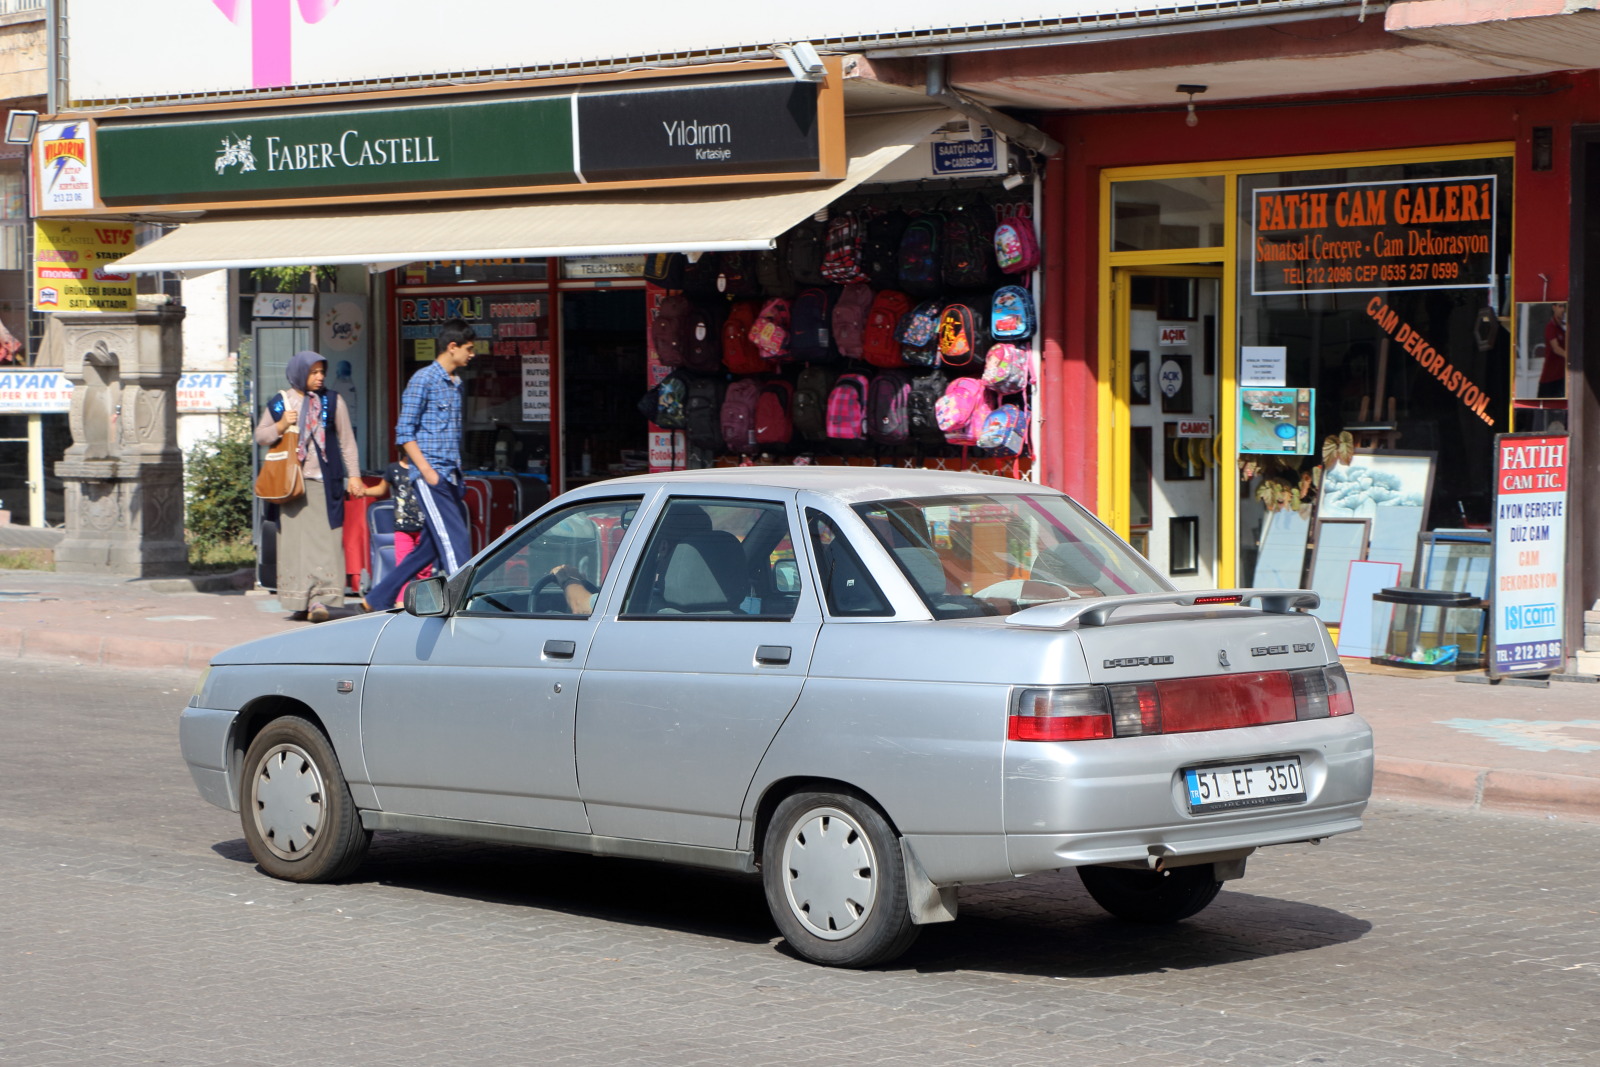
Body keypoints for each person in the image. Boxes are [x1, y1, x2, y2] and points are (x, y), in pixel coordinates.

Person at [360, 319, 477, 612]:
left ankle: (376, 598)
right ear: (452, 347)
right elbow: (404, 432)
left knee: (429, 547)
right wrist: (426, 471)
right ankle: (462, 600)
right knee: (455, 539)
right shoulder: (422, 380)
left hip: (450, 475)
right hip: (431, 475)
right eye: (469, 348)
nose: (472, 354)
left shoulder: (457, 384)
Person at [255, 350, 364, 623]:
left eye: (321, 372)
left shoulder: (332, 401)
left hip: (324, 485)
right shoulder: (282, 403)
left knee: (327, 541)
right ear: (299, 373)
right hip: (291, 487)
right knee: (295, 545)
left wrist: (354, 476)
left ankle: (321, 600)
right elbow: (261, 435)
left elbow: (347, 442)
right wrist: (281, 425)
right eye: (313, 372)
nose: (319, 377)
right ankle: (299, 599)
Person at [1538, 302, 1567, 399]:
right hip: (1550, 378)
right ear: (1554, 308)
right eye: (1560, 306)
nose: (1562, 310)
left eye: (1563, 307)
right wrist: (1570, 357)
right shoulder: (1550, 327)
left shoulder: (1563, 328)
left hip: (1561, 375)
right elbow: (1556, 348)